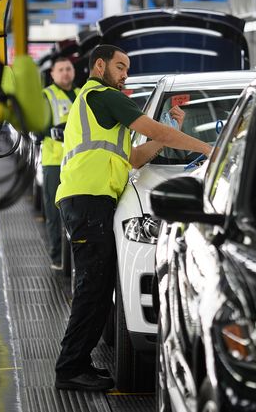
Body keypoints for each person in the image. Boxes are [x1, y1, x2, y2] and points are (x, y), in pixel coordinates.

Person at [54, 45, 211, 391]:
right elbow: (157, 133)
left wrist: (166, 128)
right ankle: (69, 368)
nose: (125, 74)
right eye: (120, 67)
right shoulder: (103, 96)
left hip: (89, 201)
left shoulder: (99, 106)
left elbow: (135, 158)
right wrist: (210, 149)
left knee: (97, 288)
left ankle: (76, 364)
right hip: (87, 201)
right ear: (100, 65)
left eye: (127, 68)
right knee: (92, 289)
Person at [41, 57, 80, 270]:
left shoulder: (82, 93)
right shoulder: (46, 96)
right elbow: (37, 127)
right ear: (53, 74)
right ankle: (57, 256)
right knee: (55, 212)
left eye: (69, 69)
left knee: (75, 211)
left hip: (78, 163)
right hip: (54, 162)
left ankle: (73, 255)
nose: (65, 73)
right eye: (61, 70)